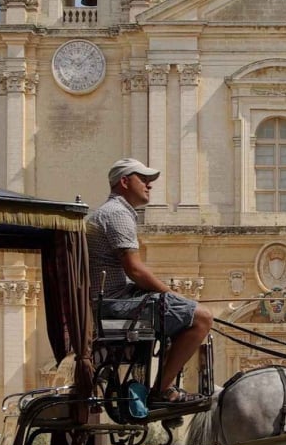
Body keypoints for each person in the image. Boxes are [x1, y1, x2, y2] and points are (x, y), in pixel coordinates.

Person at [86, 158, 214, 407]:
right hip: (115, 305)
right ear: (124, 181)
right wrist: (173, 295)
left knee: (183, 312)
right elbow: (135, 269)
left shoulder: (113, 212)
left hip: (113, 300)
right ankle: (162, 389)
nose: (149, 185)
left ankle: (160, 384)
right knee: (202, 318)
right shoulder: (117, 214)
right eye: (142, 179)